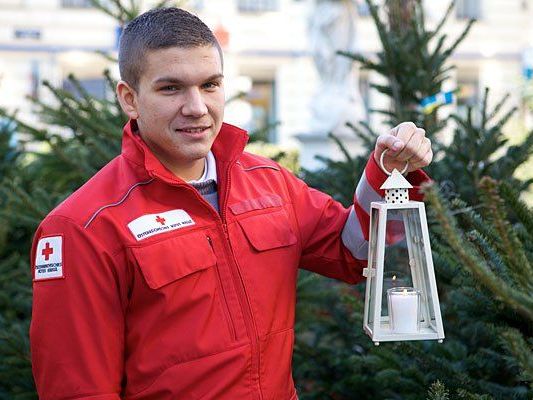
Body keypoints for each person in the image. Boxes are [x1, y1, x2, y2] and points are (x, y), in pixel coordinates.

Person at [30, 7, 432, 400]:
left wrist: (388, 171)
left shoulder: (268, 182)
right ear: (129, 98)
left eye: (209, 85)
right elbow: (80, 390)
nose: (197, 107)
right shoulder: (82, 227)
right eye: (171, 88)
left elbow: (353, 252)